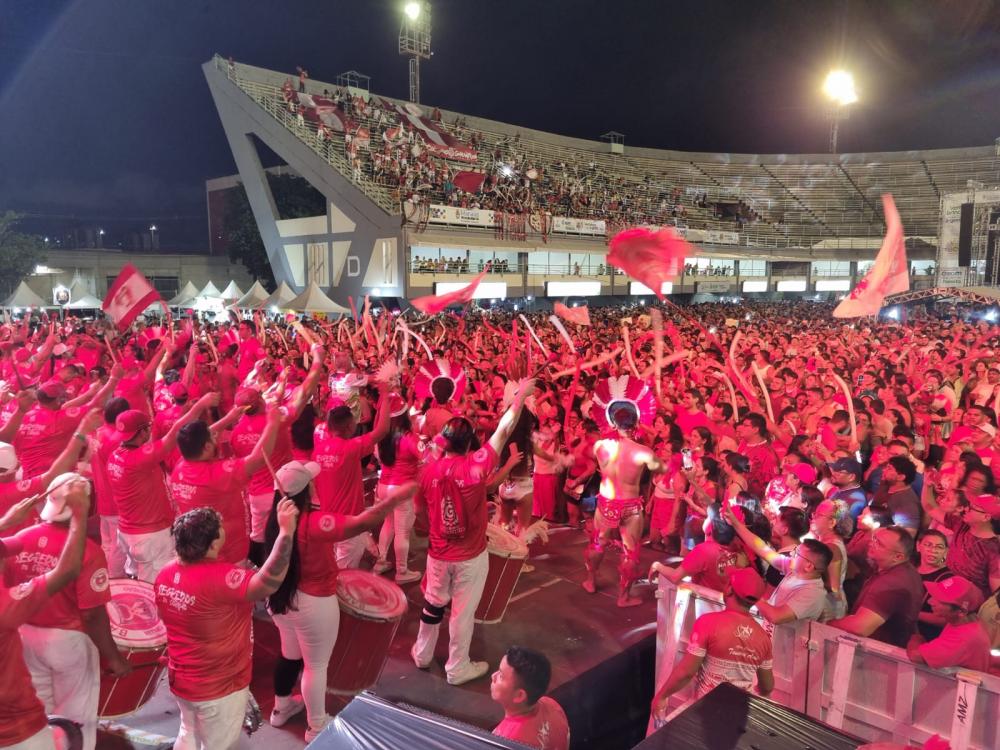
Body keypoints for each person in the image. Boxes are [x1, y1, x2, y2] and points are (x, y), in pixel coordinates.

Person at [264, 460, 416, 741]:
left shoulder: (275, 520)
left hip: (283, 601)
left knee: (290, 654)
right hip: (313, 602)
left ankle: (280, 708)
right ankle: (317, 726)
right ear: (305, 490)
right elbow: (363, 523)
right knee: (316, 666)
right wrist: (396, 498)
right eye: (310, 481)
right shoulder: (311, 523)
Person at [411, 378, 535, 686]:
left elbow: (419, 513)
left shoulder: (427, 470)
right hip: (469, 556)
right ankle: (457, 667)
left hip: (438, 552)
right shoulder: (478, 465)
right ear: (468, 444)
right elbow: (504, 429)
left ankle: (422, 654)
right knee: (462, 613)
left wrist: (431, 530)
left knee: (433, 602)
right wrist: (519, 397)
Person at [154, 499, 300, 750]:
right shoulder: (222, 578)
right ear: (213, 544)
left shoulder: (165, 574)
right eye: (220, 527)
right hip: (218, 688)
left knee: (189, 733)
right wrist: (286, 532)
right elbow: (269, 581)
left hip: (182, 680)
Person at [4, 473, 131, 750]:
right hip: (68, 643)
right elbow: (92, 615)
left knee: (39, 714)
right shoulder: (88, 551)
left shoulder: (21, 537)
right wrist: (114, 658)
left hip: (24, 638)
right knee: (77, 719)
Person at [0, 476, 91, 750]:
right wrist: (80, 515)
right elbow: (67, 571)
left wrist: (6, 522)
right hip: (19, 732)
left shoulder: (24, 538)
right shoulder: (5, 606)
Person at [107, 395, 219, 581]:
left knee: (139, 578)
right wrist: (200, 404)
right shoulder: (140, 459)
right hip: (150, 536)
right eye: (148, 428)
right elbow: (175, 432)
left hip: (129, 532)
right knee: (154, 586)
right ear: (142, 432)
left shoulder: (115, 457)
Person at [649, 567, 773, 727]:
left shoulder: (708, 623)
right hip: (738, 717)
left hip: (706, 713)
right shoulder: (763, 638)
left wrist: (661, 697)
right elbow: (767, 687)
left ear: (729, 589)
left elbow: (686, 673)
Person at [170, 401, 283, 565]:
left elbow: (200, 440)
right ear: (207, 446)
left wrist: (228, 418)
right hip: (228, 554)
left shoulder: (180, 466)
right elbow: (258, 459)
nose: (215, 435)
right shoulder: (217, 474)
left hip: (204, 548)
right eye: (212, 437)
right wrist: (272, 422)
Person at [585, 403, 665, 607]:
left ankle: (591, 581)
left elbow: (589, 455)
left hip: (606, 503)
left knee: (598, 543)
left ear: (614, 422)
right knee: (630, 550)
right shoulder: (644, 451)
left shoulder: (600, 446)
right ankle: (623, 597)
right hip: (630, 505)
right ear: (636, 423)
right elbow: (661, 469)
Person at [312, 383, 393, 569]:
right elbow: (382, 430)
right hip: (348, 524)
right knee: (345, 575)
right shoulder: (350, 448)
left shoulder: (317, 451)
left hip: (327, 520)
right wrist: (386, 395)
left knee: (333, 565)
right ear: (349, 426)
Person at [722, 505, 830, 627]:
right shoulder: (795, 568)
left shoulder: (812, 594)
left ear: (809, 566)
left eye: (797, 553)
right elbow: (761, 548)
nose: (793, 553)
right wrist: (735, 523)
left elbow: (776, 616)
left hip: (781, 644)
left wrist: (750, 594)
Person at [829, 526, 924, 647]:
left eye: (879, 544)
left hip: (879, 655)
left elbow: (860, 627)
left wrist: (829, 624)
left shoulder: (893, 584)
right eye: (874, 538)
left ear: (898, 557)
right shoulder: (900, 568)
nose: (871, 543)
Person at [373, 396, 425, 583]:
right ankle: (402, 571)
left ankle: (381, 561)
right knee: (402, 531)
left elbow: (377, 456)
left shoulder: (381, 435)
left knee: (388, 524)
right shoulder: (409, 437)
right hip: (402, 488)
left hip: (384, 486)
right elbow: (425, 457)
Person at [921, 489, 1000, 598]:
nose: (966, 509)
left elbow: (996, 593)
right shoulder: (961, 524)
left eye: (972, 508)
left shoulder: (994, 550)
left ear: (986, 517)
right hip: (942, 588)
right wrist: (927, 485)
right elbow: (930, 508)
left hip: (963, 605)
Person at [491, 646, 570, 750]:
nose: (493, 676)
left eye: (501, 676)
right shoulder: (553, 705)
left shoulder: (504, 740)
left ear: (519, 696)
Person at [906, 575, 992, 672]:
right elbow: (942, 620)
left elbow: (915, 655)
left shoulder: (961, 640)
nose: (930, 601)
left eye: (939, 600)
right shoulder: (966, 621)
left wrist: (916, 639)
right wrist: (915, 615)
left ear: (961, 612)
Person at [914, 530, 953, 641]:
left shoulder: (948, 579)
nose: (933, 550)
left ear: (946, 552)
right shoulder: (910, 568)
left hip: (924, 636)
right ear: (918, 546)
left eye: (939, 547)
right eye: (928, 545)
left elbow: (945, 620)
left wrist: (912, 614)